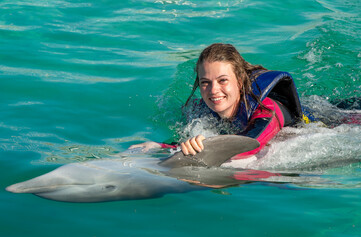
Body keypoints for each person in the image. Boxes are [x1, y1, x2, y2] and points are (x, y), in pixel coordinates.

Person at [129, 43, 306, 161]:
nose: (213, 90)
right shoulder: (201, 110)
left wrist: (204, 149)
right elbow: (186, 142)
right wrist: (159, 146)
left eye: (223, 80)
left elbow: (251, 144)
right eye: (205, 82)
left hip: (327, 122)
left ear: (239, 80)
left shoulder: (266, 110)